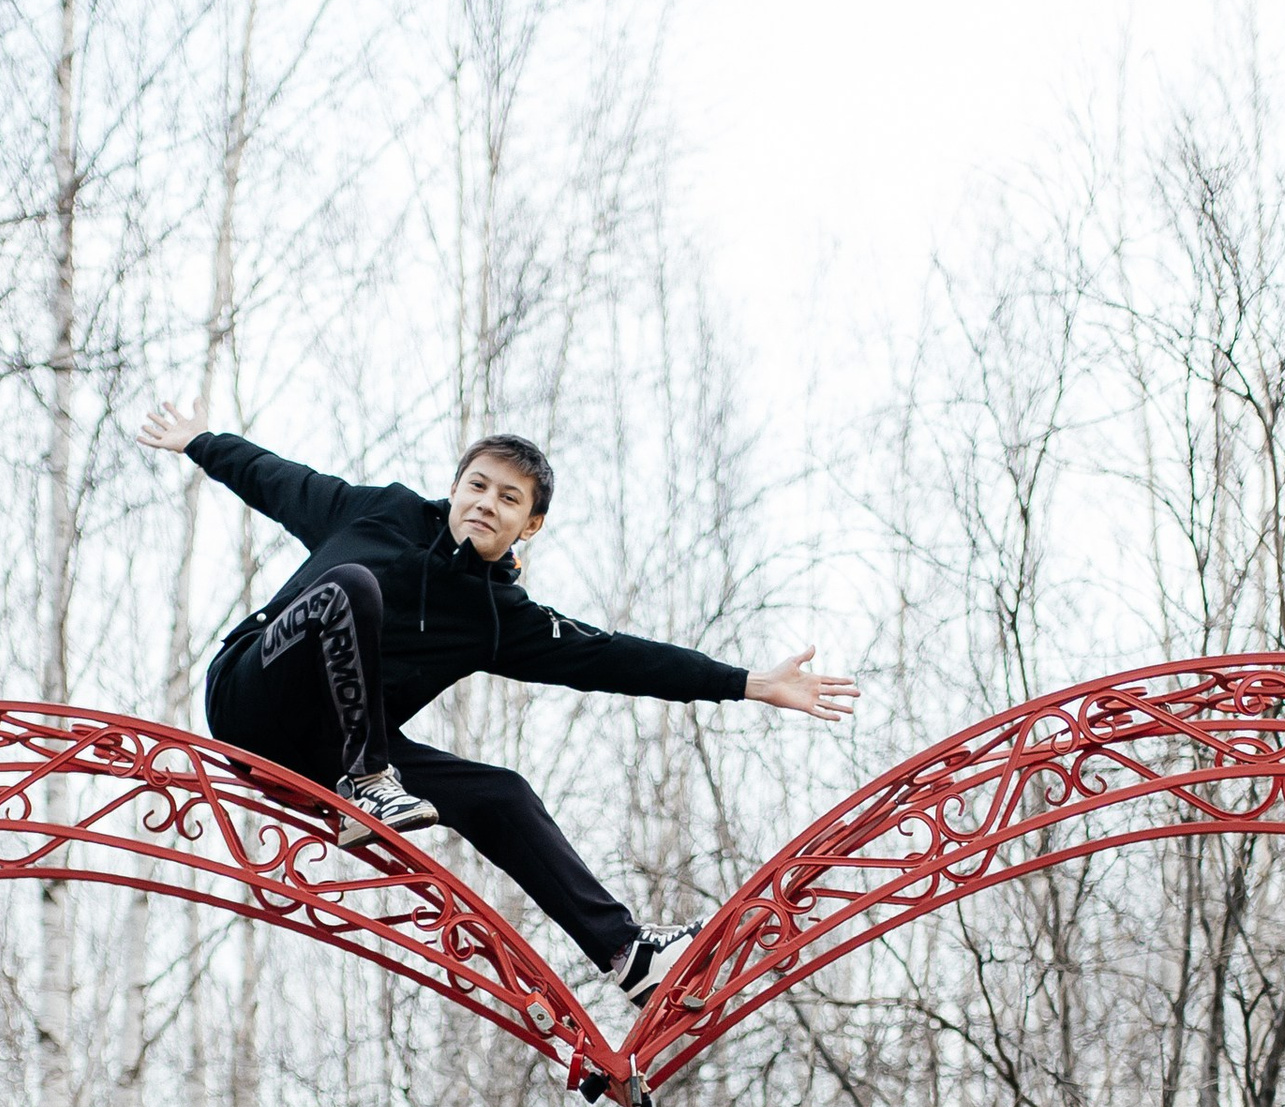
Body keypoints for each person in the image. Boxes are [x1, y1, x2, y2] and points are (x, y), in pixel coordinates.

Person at [139, 406, 857, 999]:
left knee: (502, 794)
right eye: (477, 487)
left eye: (508, 499)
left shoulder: (498, 617)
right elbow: (275, 478)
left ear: (529, 525)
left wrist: (750, 682)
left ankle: (626, 954)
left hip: (322, 754)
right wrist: (199, 442)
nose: (486, 504)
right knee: (354, 586)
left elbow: (613, 655)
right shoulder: (375, 514)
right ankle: (368, 779)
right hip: (250, 693)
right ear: (456, 488)